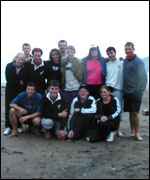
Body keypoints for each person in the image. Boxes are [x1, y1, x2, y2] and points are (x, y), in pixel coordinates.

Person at [123, 42, 147, 141]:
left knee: (135, 113)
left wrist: (139, 91)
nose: (127, 51)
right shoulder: (125, 61)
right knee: (130, 112)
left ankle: (137, 133)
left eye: (129, 49)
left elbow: (143, 79)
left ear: (133, 49)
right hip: (126, 91)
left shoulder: (139, 62)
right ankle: (132, 132)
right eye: (126, 49)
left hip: (135, 92)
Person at [3, 53, 28, 135]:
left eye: (22, 60)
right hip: (10, 90)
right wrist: (19, 82)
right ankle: (8, 127)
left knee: (19, 109)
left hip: (20, 91)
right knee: (8, 107)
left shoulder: (25, 68)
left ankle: (19, 126)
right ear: (15, 58)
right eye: (19, 59)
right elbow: (8, 79)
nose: (20, 61)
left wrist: (20, 83)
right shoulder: (9, 66)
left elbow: (25, 81)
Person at [105, 47, 124, 137]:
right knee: (109, 110)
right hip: (108, 89)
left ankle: (118, 130)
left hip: (118, 90)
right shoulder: (106, 64)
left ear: (115, 53)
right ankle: (109, 129)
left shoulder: (121, 63)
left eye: (111, 53)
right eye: (108, 53)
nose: (110, 55)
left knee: (118, 110)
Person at [61, 45, 83, 110]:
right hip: (66, 89)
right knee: (66, 106)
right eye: (69, 52)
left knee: (76, 106)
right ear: (66, 53)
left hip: (76, 88)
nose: (70, 53)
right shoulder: (63, 62)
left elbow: (81, 74)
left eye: (72, 52)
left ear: (74, 52)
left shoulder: (79, 62)